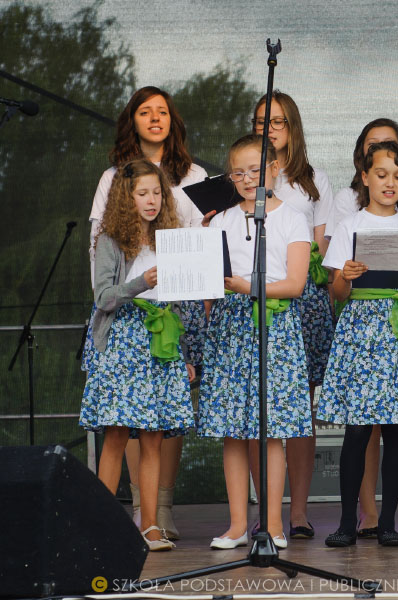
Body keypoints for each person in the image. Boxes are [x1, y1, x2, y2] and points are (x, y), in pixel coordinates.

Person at [85, 86, 206, 539]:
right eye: (143, 193)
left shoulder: (168, 238)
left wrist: (184, 351)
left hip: (160, 342)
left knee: (154, 435)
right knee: (117, 435)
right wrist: (142, 283)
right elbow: (103, 297)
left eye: (157, 193)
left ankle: (151, 525)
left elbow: (176, 301)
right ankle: (104, 526)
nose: (152, 200)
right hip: (121, 341)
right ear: (126, 196)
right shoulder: (112, 241)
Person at [197, 134, 311, 550]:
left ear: (275, 170)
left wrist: (249, 287)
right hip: (230, 325)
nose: (247, 179)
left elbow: (295, 284)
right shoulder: (222, 219)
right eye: (238, 173)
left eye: (255, 171)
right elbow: (208, 281)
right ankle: (236, 525)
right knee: (233, 431)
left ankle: (274, 524)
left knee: (272, 429)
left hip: (274, 324)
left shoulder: (292, 218)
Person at [319, 141, 398, 547]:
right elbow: (336, 294)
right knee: (357, 429)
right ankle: (348, 521)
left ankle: (388, 522)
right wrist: (346, 277)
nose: (390, 183)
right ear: (365, 177)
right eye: (381, 175)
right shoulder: (350, 225)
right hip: (362, 333)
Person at [246, 91, 333, 540]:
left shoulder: (313, 180)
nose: (269, 129)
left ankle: (297, 512)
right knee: (257, 408)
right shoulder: (243, 175)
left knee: (298, 409)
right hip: (252, 300)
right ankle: (266, 513)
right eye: (261, 122)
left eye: (277, 121)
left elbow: (322, 247)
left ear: (292, 126)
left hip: (303, 301)